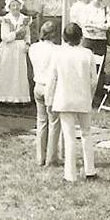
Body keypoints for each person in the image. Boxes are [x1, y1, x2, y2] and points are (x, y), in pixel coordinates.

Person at [46, 23, 98, 183]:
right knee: (86, 133)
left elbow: (52, 79)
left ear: (64, 37)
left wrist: (49, 99)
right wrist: (89, 96)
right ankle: (90, 170)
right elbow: (94, 80)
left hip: (64, 99)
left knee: (68, 137)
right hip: (83, 99)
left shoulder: (58, 54)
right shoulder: (88, 54)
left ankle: (70, 175)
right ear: (81, 37)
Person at [28, 21, 63, 167]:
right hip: (51, 87)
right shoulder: (57, 50)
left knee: (41, 122)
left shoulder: (34, 48)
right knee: (54, 123)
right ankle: (51, 158)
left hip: (38, 86)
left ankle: (40, 158)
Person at [78, 0, 110, 103]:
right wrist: (99, 26)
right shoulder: (86, 8)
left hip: (101, 41)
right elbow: (84, 24)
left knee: (100, 66)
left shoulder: (105, 9)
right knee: (86, 64)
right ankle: (84, 91)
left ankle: (98, 93)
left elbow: (108, 25)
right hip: (88, 40)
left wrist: (94, 25)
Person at [0, 0, 32, 104]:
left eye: (17, 5)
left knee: (20, 72)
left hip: (20, 48)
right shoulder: (6, 20)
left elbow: (27, 34)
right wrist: (16, 33)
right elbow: (4, 37)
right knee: (9, 71)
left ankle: (21, 98)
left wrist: (27, 43)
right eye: (13, 5)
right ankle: (6, 97)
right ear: (9, 6)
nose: (16, 8)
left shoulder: (25, 19)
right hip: (9, 48)